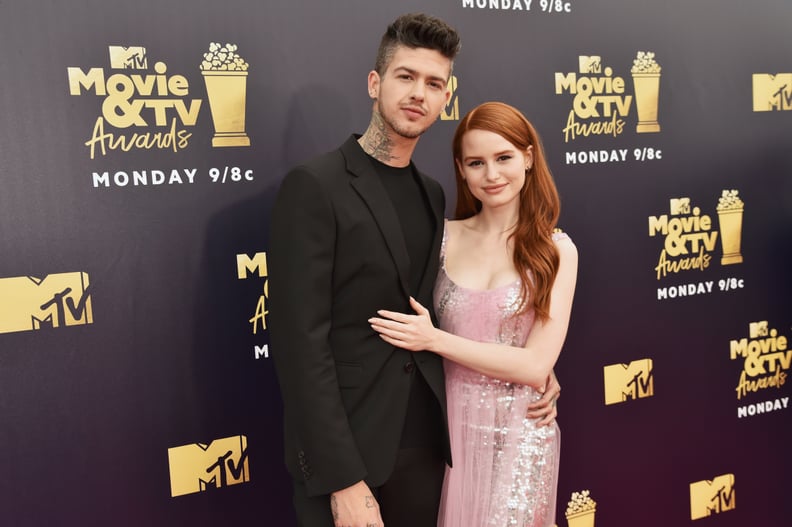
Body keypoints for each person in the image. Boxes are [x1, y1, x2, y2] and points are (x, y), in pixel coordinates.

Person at [269, 14, 559, 526]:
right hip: (349, 460)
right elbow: (299, 346)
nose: (418, 94)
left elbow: (450, 310)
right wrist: (343, 479)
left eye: (434, 83)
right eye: (405, 76)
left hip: (427, 456)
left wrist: (533, 366)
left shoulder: (432, 196)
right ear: (375, 83)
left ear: (446, 98)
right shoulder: (316, 186)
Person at [369, 101, 577, 527]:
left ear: (529, 158)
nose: (492, 174)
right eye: (476, 162)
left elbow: (537, 363)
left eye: (504, 158)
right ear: (461, 170)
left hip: (522, 434)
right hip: (443, 434)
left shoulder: (557, 250)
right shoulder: (439, 237)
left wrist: (435, 339)